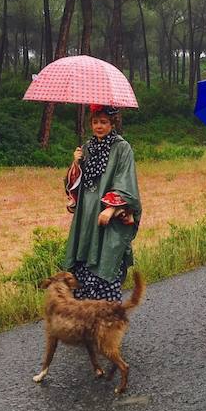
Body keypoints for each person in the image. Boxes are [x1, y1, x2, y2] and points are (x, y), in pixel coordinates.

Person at [63, 105, 141, 301]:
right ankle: (86, 311)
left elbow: (126, 182)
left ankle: (107, 312)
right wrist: (76, 163)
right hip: (86, 214)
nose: (99, 126)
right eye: (95, 122)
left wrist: (111, 209)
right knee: (84, 253)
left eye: (104, 122)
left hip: (107, 213)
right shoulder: (87, 148)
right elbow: (74, 184)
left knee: (107, 253)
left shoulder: (122, 148)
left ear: (112, 123)